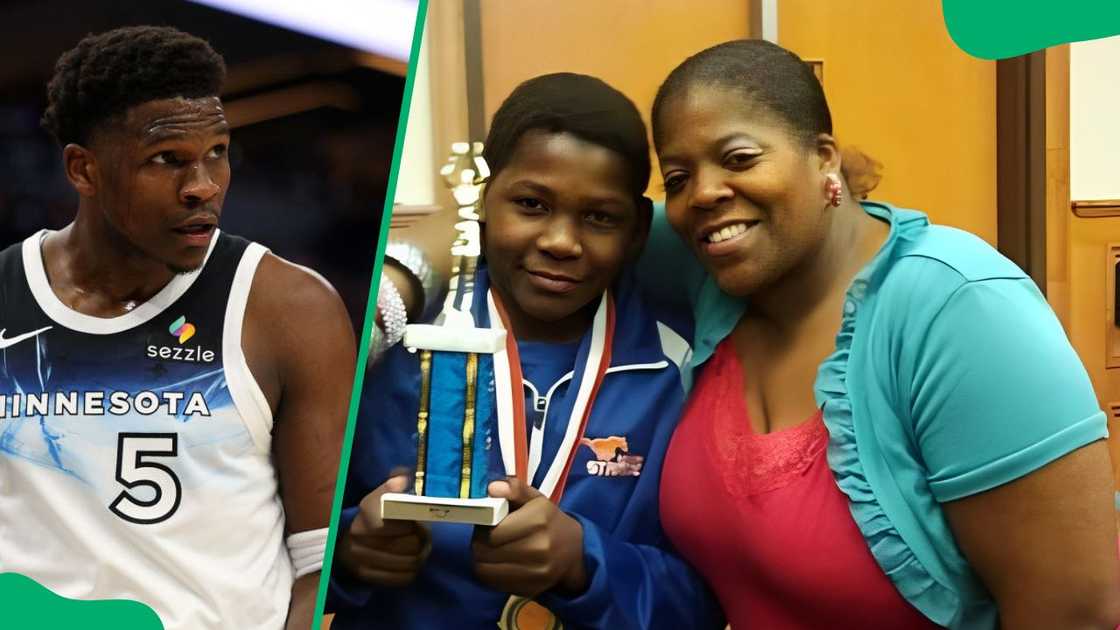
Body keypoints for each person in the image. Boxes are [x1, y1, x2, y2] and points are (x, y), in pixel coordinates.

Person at [646, 39, 1120, 629]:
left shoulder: (958, 308)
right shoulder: (716, 272)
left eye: (740, 159)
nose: (706, 193)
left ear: (825, 159)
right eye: (677, 178)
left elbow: (1075, 614)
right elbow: (582, 216)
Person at [329, 72, 720, 629]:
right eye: (532, 204)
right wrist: (347, 552)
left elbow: (704, 602)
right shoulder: (397, 349)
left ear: (635, 232)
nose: (561, 241)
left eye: (599, 217)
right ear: (484, 205)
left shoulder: (677, 369)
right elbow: (270, 536)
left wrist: (585, 563)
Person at [0, 26, 355, 630]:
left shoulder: (290, 308)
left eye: (217, 152)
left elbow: (317, 572)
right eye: (167, 161)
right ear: (84, 171)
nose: (203, 187)